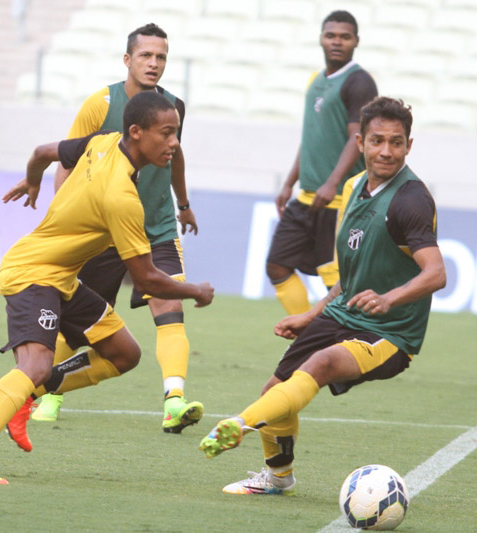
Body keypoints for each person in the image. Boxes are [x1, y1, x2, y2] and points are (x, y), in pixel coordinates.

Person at [0, 91, 214, 485]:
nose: (174, 143)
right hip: (32, 272)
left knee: (123, 354)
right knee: (33, 363)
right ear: (136, 132)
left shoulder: (102, 142)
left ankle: (28, 396)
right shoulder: (121, 197)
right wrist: (197, 291)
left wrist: (32, 181)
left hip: (61, 277)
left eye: (177, 133)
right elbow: (147, 279)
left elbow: (41, 152)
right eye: (167, 133)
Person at [199, 96, 446, 496]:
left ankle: (240, 424)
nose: (386, 150)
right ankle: (279, 477)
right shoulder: (351, 188)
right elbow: (349, 277)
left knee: (321, 362)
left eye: (397, 142)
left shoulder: (411, 199)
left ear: (409, 146)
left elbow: (436, 273)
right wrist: (312, 314)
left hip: (391, 333)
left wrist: (389, 300)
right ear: (360, 142)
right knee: (275, 392)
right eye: (378, 140)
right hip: (342, 314)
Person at [32, 23, 203, 434]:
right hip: (102, 231)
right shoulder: (101, 103)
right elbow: (68, 164)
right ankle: (47, 392)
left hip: (157, 226)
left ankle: (174, 402)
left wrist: (183, 204)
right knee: (79, 326)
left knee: (171, 310)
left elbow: (175, 154)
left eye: (161, 57)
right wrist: (64, 219)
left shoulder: (174, 105)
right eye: (146, 55)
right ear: (128, 60)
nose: (154, 63)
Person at [267, 10, 378, 316]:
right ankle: (304, 336)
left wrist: (332, 183)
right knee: (277, 264)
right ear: (321, 39)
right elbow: (312, 138)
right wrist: (290, 182)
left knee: (337, 283)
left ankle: (342, 345)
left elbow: (358, 138)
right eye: (331, 35)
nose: (337, 42)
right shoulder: (316, 80)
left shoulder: (360, 82)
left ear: (356, 41)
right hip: (306, 197)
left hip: (339, 201)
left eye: (345, 36)